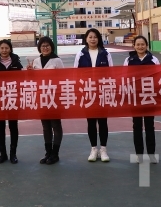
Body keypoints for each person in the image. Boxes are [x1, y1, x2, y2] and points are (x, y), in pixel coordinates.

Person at [73, 28, 113, 162]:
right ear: (86, 39)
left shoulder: (106, 54)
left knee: (103, 121)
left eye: (95, 37)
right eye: (90, 37)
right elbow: (76, 74)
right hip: (87, 93)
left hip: (102, 92)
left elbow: (112, 73)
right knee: (91, 122)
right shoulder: (80, 54)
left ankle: (103, 150)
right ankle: (93, 149)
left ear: (98, 39)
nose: (93, 39)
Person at [27, 36, 64, 165]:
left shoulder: (57, 61)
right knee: (46, 127)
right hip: (41, 97)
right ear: (39, 48)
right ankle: (48, 153)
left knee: (55, 125)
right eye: (43, 46)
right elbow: (32, 80)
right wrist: (29, 72)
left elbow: (63, 79)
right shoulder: (36, 61)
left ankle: (55, 154)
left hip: (54, 97)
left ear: (51, 47)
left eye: (47, 45)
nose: (45, 48)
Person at [124, 36, 160, 164]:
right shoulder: (128, 60)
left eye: (142, 44)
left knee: (150, 126)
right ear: (134, 46)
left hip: (149, 97)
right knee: (137, 126)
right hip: (135, 98)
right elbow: (125, 78)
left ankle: (151, 154)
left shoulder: (154, 60)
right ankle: (139, 154)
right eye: (138, 44)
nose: (140, 47)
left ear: (146, 45)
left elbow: (159, 77)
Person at [0, 39, 23, 164]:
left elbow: (22, 80)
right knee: (0, 127)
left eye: (6, 48)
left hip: (13, 99)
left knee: (13, 127)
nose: (4, 50)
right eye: (2, 48)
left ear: (10, 49)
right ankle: (3, 154)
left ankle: (13, 154)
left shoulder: (17, 63)